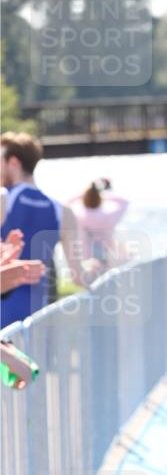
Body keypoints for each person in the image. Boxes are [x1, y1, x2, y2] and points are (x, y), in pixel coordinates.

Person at [0, 132, 88, 328]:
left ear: (13, 163)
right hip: (39, 321)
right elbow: (78, 275)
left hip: (4, 324)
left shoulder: (3, 199)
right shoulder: (63, 211)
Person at [66, 178, 129, 270]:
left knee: (89, 280)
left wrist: (84, 194)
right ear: (100, 198)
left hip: (85, 254)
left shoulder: (78, 215)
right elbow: (124, 202)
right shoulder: (109, 214)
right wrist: (103, 193)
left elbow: (67, 203)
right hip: (107, 252)